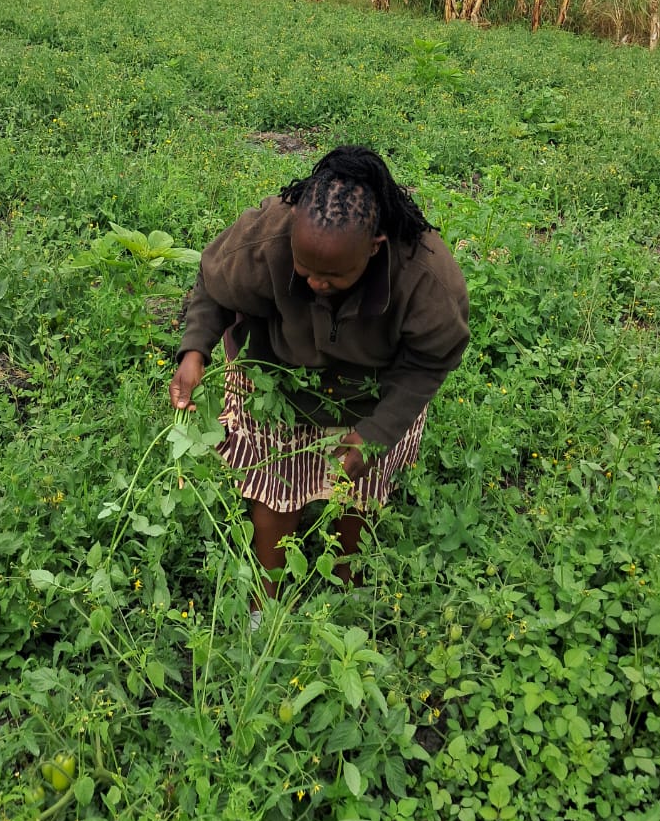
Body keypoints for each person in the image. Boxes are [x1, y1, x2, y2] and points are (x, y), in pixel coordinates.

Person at [169, 146, 470, 603]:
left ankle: (346, 592)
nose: (315, 284)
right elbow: (214, 285)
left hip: (368, 397)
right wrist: (195, 351)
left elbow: (429, 361)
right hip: (276, 382)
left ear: (374, 248)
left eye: (333, 276)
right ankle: (264, 600)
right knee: (275, 494)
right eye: (304, 270)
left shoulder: (424, 278)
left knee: (358, 498)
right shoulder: (265, 239)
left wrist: (377, 433)